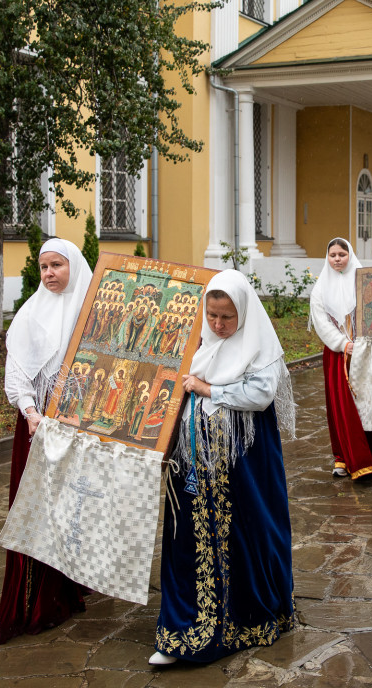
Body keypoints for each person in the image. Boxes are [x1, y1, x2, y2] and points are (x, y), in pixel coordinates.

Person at [153, 269, 295, 665]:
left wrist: (210, 389)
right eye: (212, 315)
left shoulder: (257, 346)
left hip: (242, 459)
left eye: (227, 317)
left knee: (246, 532)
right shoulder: (198, 342)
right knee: (186, 539)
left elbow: (262, 393)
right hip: (193, 459)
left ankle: (245, 620)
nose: (217, 324)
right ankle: (182, 628)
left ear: (244, 313)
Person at [0, 238, 94, 645]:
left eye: (57, 265)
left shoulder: (90, 317)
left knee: (73, 508)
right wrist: (32, 414)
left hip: (79, 430)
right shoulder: (31, 314)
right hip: (38, 430)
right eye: (43, 267)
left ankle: (69, 587)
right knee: (38, 511)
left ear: (75, 268)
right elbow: (17, 372)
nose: (50, 273)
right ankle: (37, 601)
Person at [309, 237, 372, 480]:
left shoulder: (365, 282)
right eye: (333, 254)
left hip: (365, 352)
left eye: (342, 254)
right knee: (341, 406)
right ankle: (343, 457)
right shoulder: (321, 288)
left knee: (367, 402)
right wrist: (342, 344)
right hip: (338, 355)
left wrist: (365, 342)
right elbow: (321, 322)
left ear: (350, 255)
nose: (337, 259)